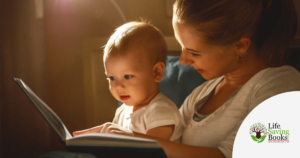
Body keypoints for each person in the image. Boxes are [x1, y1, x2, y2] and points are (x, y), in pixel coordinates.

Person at [73, 0, 300, 157]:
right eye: (182, 48)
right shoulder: (202, 94)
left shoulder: (282, 86)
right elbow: (171, 145)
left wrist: (135, 140)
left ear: (239, 46)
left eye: (194, 52)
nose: (182, 61)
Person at [73, 21, 185, 141]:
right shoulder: (122, 112)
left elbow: (152, 150)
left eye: (127, 76)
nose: (118, 86)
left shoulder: (161, 111)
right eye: (112, 78)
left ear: (157, 72)